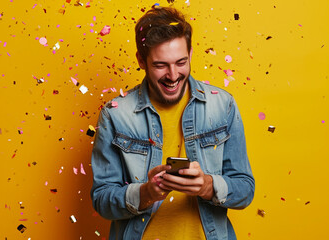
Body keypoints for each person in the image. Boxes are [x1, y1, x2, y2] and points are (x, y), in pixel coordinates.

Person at [91, 6, 255, 240]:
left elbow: (245, 189)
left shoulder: (223, 105)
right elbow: (101, 200)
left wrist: (206, 186)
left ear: (190, 53)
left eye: (181, 62)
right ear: (141, 60)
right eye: (160, 65)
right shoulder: (115, 115)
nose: (173, 75)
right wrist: (146, 193)